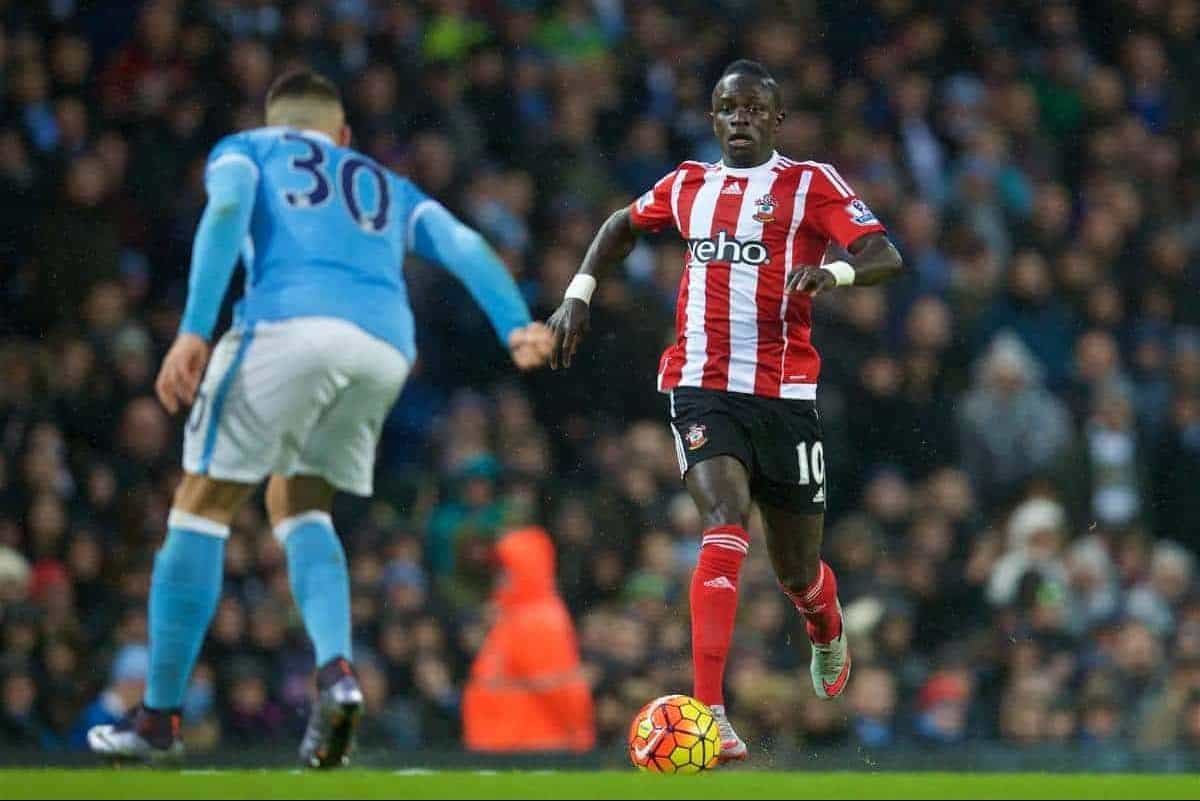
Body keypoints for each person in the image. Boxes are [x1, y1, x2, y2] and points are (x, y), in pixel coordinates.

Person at [88, 69, 551, 767]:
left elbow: (224, 216)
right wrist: (515, 323)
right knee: (299, 499)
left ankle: (158, 716)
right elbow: (461, 241)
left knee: (201, 506)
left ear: (278, 120)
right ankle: (336, 671)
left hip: (288, 323)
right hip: (386, 345)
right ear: (343, 136)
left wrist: (192, 328)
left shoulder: (248, 148)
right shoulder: (386, 183)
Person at [546, 59, 905, 762]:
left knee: (798, 571)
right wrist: (580, 291)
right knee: (723, 517)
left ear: (777, 120)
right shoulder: (688, 185)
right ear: (712, 119)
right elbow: (621, 223)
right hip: (700, 383)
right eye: (725, 107)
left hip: (786, 395)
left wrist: (831, 272)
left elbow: (883, 253)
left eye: (752, 108)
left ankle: (824, 623)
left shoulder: (810, 184)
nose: (739, 117)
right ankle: (710, 708)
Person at [462, 526, 595, 753]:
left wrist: (579, 736)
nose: (501, 577)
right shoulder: (519, 615)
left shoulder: (536, 620)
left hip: (530, 746)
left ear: (525, 569)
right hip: (511, 743)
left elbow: (558, 689)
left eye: (507, 569)